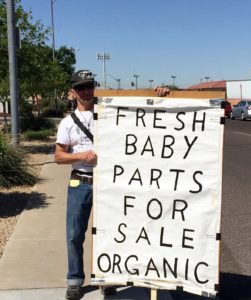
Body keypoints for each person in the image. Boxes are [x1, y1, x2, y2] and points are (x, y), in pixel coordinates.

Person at [55, 69, 169, 300]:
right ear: (73, 91)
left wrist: (162, 95)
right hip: (80, 182)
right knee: (74, 234)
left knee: (115, 232)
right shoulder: (67, 123)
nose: (85, 91)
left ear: (94, 87)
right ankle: (75, 279)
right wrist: (80, 156)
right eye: (80, 87)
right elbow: (59, 156)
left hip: (111, 182)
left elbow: (145, 112)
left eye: (89, 86)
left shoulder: (113, 112)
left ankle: (108, 277)